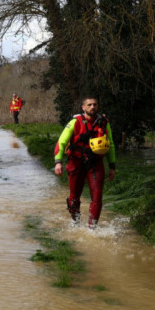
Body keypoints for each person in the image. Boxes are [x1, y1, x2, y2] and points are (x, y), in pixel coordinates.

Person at [53, 96, 116, 229]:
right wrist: (58, 162)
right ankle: (75, 221)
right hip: (76, 162)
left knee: (97, 195)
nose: (93, 107)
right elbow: (62, 141)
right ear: (83, 108)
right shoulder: (75, 122)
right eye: (89, 105)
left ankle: (92, 228)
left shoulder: (104, 123)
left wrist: (112, 166)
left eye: (95, 104)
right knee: (74, 196)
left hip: (95, 163)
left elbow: (111, 145)